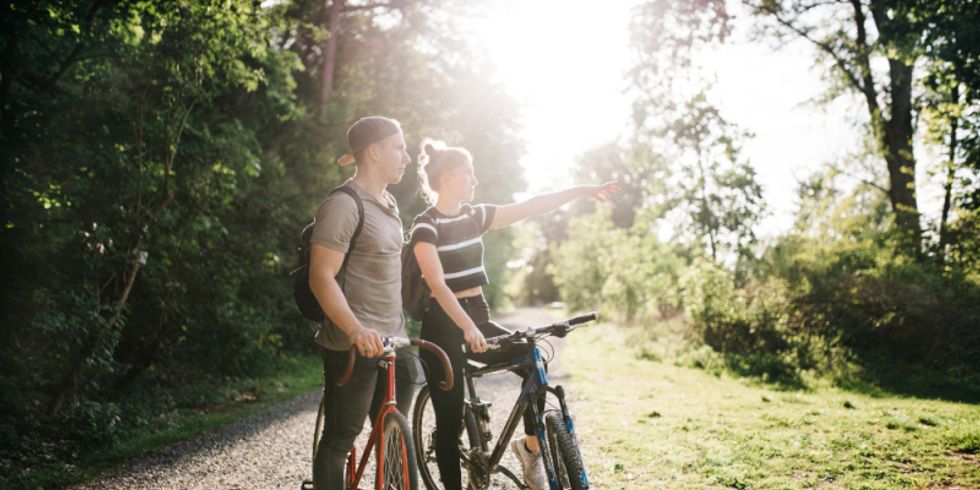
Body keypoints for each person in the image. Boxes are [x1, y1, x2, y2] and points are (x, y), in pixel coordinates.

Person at [409, 139, 618, 490]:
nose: (474, 181)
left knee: (532, 357)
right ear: (447, 178)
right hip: (442, 326)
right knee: (448, 425)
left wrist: (582, 190)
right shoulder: (425, 225)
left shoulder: (475, 215)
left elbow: (532, 206)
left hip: (477, 313)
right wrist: (467, 328)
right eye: (468, 174)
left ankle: (530, 449)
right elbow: (437, 284)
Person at [308, 116, 420, 490]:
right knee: (341, 439)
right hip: (352, 342)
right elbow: (320, 276)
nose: (407, 157)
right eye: (399, 148)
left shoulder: (389, 204)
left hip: (394, 340)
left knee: (393, 438)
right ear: (374, 151)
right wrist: (355, 329)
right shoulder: (343, 204)